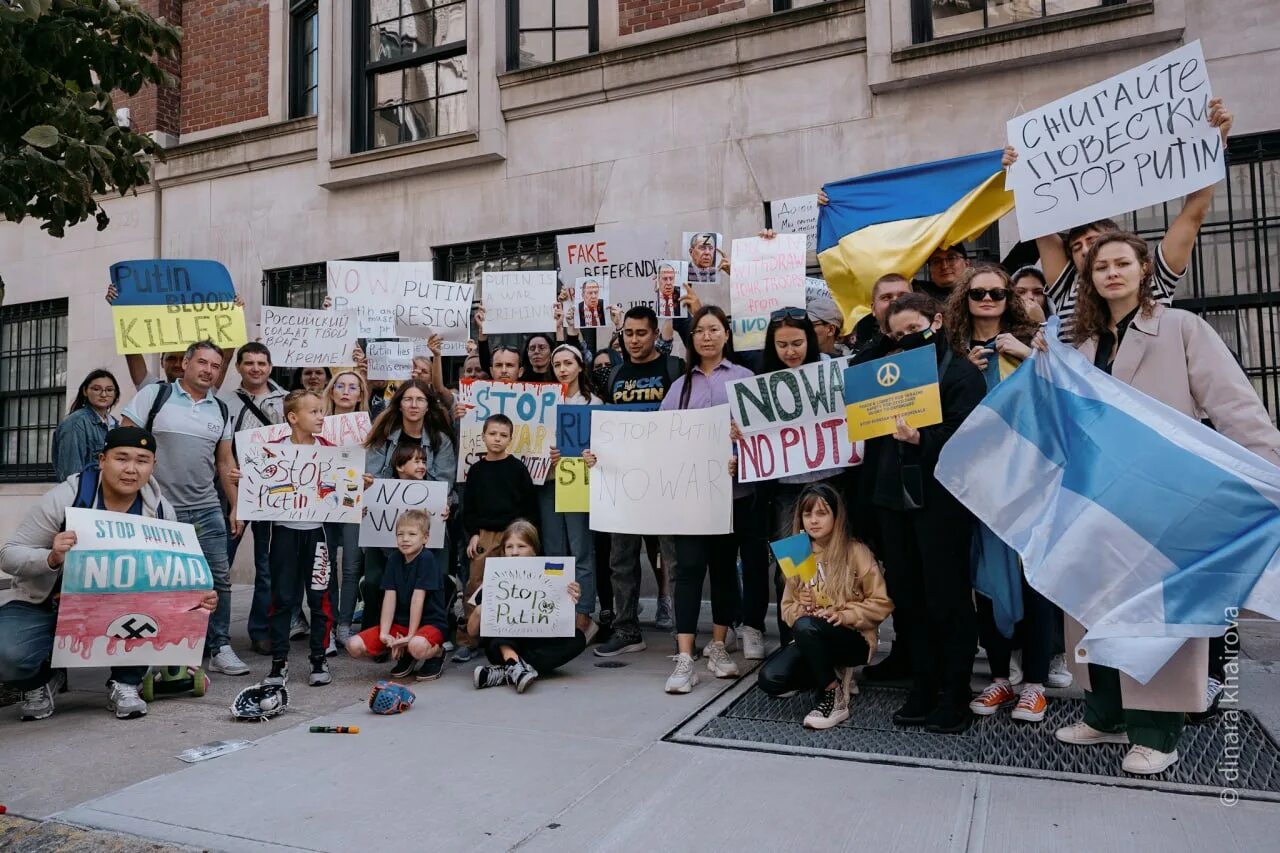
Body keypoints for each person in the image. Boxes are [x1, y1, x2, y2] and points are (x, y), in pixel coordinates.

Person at [1051, 231, 1280, 774]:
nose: (1111, 272)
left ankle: (1157, 731)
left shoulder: (1181, 328)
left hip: (1164, 499)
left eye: (1122, 263)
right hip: (1094, 501)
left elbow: (1233, 402)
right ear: (1090, 278)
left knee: (1157, 616)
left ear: (1142, 269)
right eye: (1101, 266)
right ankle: (1105, 713)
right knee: (1092, 608)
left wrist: (1268, 467)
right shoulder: (1081, 344)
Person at [0, 427, 218, 721]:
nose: (131, 469)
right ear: (102, 460)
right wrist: (50, 558)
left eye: (142, 460)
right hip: (46, 602)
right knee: (8, 652)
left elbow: (170, 581)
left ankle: (127, 681)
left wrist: (197, 598)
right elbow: (9, 554)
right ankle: (40, 682)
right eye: (121, 458)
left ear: (153, 466)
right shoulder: (66, 497)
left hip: (119, 610)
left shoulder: (161, 511)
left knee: (155, 612)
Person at [1002, 97, 1233, 339]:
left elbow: (1194, 211)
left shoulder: (1154, 277)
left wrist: (1215, 144)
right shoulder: (1067, 286)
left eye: (1092, 241)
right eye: (1076, 247)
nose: (1084, 251)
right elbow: (1038, 219)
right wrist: (1021, 170)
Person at [859, 293, 986, 733]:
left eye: (913, 329)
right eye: (897, 334)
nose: (906, 339)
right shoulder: (883, 375)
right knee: (909, 599)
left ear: (935, 321)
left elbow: (969, 438)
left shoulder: (962, 373)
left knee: (947, 600)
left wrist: (921, 439)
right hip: (894, 501)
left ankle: (955, 693)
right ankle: (923, 684)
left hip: (942, 504)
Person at [941, 264, 1059, 724]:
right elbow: (933, 406)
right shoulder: (951, 352)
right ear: (964, 301)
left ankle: (1034, 682)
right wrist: (962, 375)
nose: (987, 300)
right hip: (979, 482)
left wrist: (1029, 356)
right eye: (978, 294)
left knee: (1033, 577)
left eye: (996, 293)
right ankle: (999, 677)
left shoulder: (1036, 344)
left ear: (1009, 298)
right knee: (986, 574)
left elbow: (1064, 395)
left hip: (1029, 479)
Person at [120, 340, 249, 677]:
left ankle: (219, 646)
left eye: (216, 366)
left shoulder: (220, 409)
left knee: (217, 579)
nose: (208, 370)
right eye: (203, 362)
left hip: (206, 509)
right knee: (158, 581)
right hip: (157, 508)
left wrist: (236, 505)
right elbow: (124, 442)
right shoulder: (154, 396)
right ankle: (157, 647)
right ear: (187, 363)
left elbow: (224, 461)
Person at [658, 305, 751, 693]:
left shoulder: (745, 379)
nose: (707, 337)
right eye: (699, 331)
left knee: (725, 569)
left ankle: (717, 645)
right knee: (689, 569)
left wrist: (740, 439)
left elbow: (762, 435)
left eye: (714, 329)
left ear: (727, 334)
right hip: (691, 497)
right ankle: (684, 655)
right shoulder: (681, 387)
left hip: (734, 493)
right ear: (691, 338)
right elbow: (658, 437)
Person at [757, 484, 892, 729]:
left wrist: (845, 615)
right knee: (771, 680)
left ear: (836, 517)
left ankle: (833, 696)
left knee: (808, 627)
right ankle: (828, 674)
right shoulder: (798, 552)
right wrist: (802, 606)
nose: (813, 521)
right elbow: (787, 609)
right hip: (811, 634)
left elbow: (881, 603)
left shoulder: (856, 550)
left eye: (821, 513)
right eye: (807, 515)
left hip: (853, 638)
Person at [591, 306, 683, 657]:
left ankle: (682, 631)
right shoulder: (614, 375)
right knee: (621, 559)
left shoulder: (674, 369)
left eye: (641, 333)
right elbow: (603, 427)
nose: (633, 340)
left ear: (655, 334)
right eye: (628, 333)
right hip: (623, 480)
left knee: (672, 559)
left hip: (665, 478)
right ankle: (627, 629)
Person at [251, 391, 339, 688]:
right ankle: (279, 663)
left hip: (318, 535)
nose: (320, 417)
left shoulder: (330, 450)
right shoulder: (272, 450)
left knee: (319, 598)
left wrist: (355, 483)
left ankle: (318, 657)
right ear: (292, 417)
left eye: (321, 411)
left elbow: (343, 491)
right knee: (283, 599)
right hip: (283, 534)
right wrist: (246, 477)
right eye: (314, 412)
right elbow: (256, 483)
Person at [362, 379, 457, 637]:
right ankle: (378, 631)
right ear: (399, 404)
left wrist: (445, 504)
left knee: (435, 578)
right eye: (408, 399)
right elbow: (371, 476)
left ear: (428, 406)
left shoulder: (440, 440)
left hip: (428, 527)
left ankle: (432, 632)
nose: (414, 405)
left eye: (420, 400)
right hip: (384, 527)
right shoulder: (383, 435)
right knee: (374, 580)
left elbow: (445, 484)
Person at [221, 342, 288, 656]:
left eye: (262, 363)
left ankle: (261, 630)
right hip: (231, 489)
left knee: (267, 565)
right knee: (221, 562)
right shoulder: (224, 402)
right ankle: (212, 635)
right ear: (238, 367)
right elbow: (218, 449)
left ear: (270, 366)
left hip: (270, 494)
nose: (256, 369)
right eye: (249, 363)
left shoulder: (287, 400)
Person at [456, 414, 540, 659]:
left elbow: (529, 506)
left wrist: (526, 535)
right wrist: (473, 534)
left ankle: (514, 635)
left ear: (510, 439)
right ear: (483, 436)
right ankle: (470, 639)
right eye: (492, 434)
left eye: (503, 435)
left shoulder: (517, 469)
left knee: (516, 585)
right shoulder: (476, 470)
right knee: (476, 584)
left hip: (513, 533)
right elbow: (468, 507)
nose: (497, 439)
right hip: (485, 535)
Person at [471, 521, 588, 692]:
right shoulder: (494, 579)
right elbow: (472, 632)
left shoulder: (550, 574)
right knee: (501, 626)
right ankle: (514, 663)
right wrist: (480, 611)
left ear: (534, 550)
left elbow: (563, 622)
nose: (515, 552)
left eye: (521, 546)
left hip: (538, 643)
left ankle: (508, 670)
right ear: (503, 552)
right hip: (502, 646)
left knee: (578, 639)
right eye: (509, 547)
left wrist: (570, 596)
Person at [345, 510, 448, 681]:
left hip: (430, 624)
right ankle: (408, 654)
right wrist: (384, 634)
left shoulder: (426, 559)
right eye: (400, 534)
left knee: (417, 645)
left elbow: (418, 599)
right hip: (400, 625)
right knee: (353, 645)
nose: (405, 539)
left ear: (425, 538)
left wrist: (410, 636)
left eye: (412, 534)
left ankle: (437, 653)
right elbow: (389, 597)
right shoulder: (394, 559)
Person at [544, 345, 602, 636]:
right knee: (553, 548)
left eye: (568, 363)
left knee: (580, 548)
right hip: (547, 482)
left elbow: (603, 446)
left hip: (577, 481)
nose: (563, 369)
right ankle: (557, 608)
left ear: (580, 366)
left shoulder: (594, 403)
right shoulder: (541, 400)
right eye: (557, 364)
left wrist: (590, 456)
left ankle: (583, 613)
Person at [324, 369, 370, 646]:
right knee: (325, 565)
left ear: (360, 394)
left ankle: (344, 624)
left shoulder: (370, 428)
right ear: (331, 391)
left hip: (354, 501)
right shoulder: (318, 424)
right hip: (324, 501)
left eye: (353, 387)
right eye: (340, 386)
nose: (345, 391)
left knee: (352, 566)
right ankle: (327, 623)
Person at [53, 369, 121, 481]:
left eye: (109, 390)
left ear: (115, 393)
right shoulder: (76, 423)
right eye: (96, 389)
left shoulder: (114, 424)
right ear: (85, 391)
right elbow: (71, 474)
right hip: (86, 494)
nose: (104, 394)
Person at [849, 273, 913, 364]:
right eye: (886, 297)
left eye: (903, 296)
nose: (895, 302)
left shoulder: (935, 343)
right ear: (873, 309)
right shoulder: (861, 361)